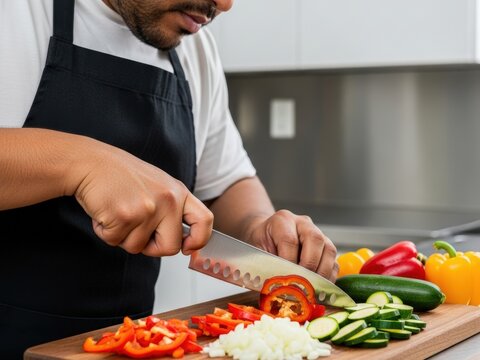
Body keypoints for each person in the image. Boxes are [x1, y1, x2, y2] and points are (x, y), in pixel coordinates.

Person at [0, 0, 337, 357]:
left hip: (127, 346)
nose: (224, 5)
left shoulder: (194, 47)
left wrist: (260, 230)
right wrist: (81, 162)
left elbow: (224, 183)